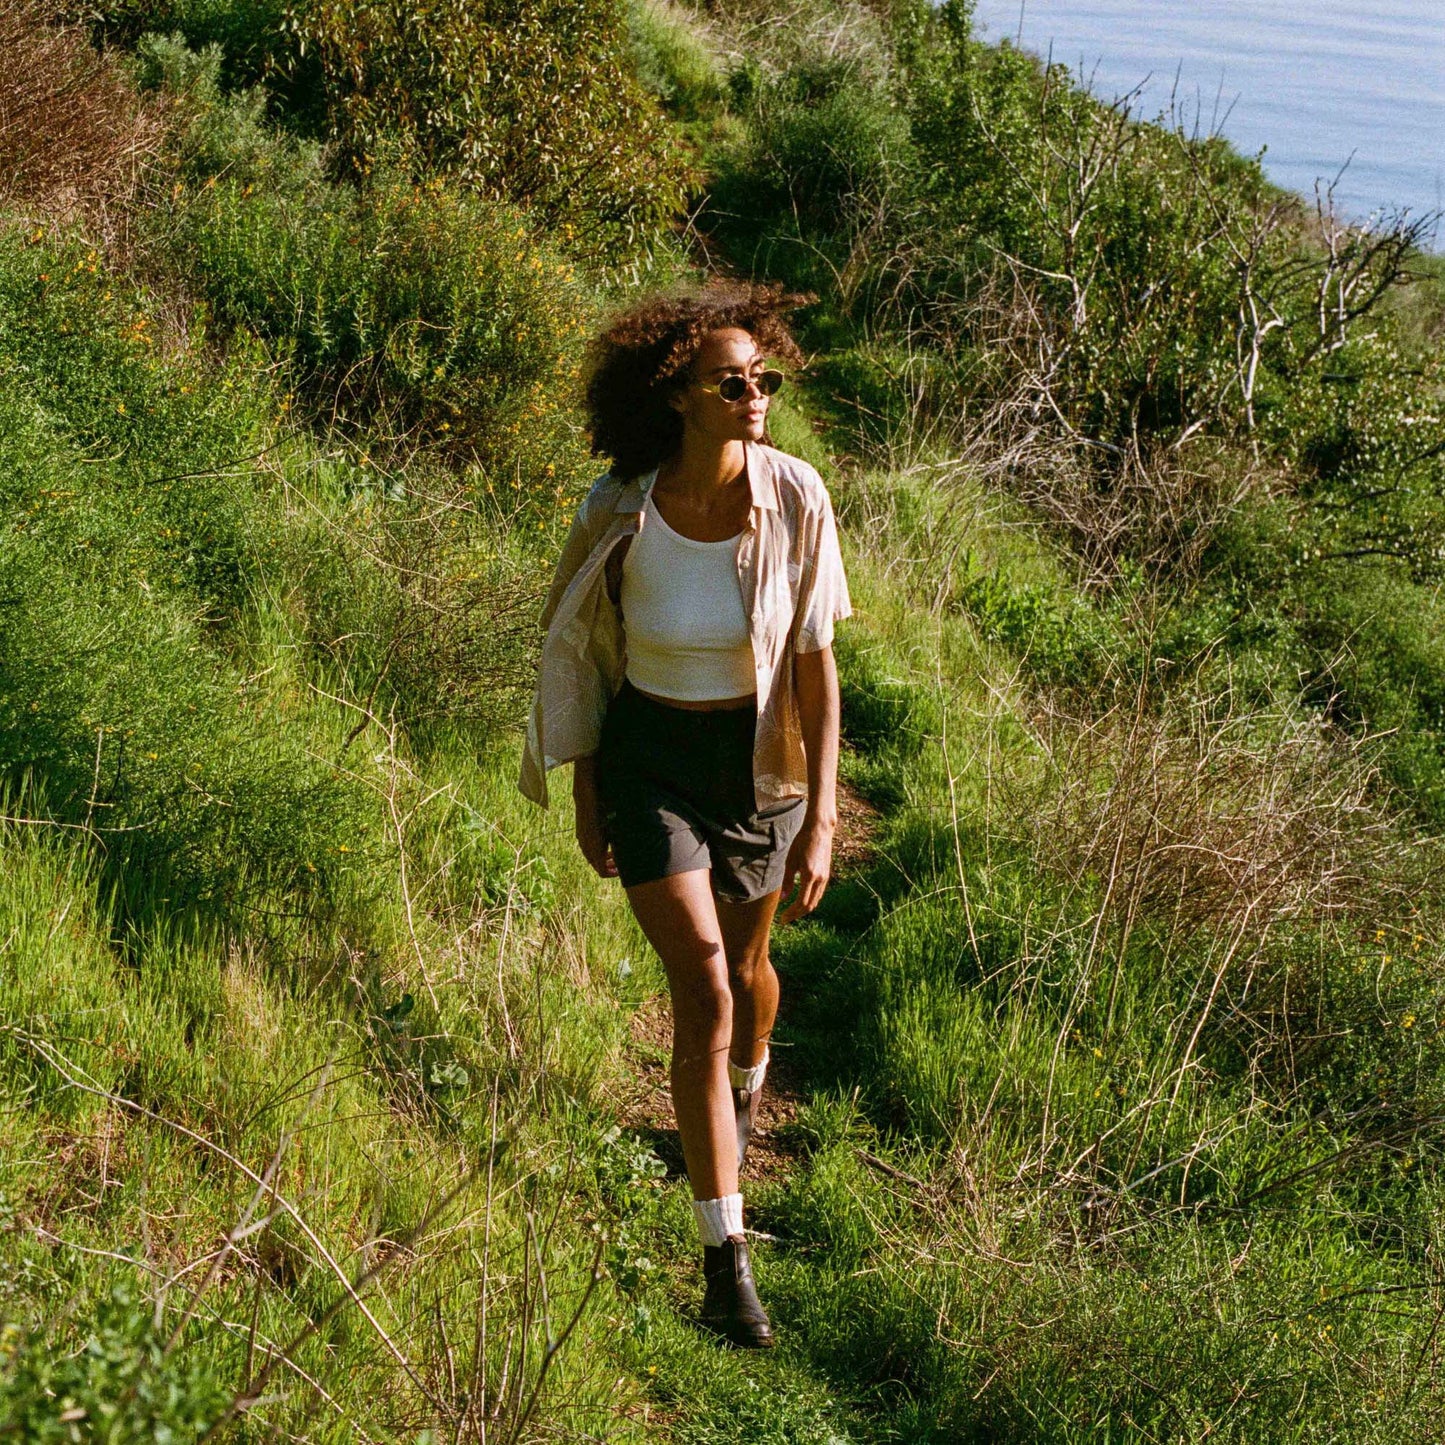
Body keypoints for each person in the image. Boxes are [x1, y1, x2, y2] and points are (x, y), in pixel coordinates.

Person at [519, 280, 850, 1348]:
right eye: (730, 383)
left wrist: (823, 817)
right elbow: (582, 649)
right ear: (675, 396)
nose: (755, 397)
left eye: (764, 379)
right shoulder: (618, 505)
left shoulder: (796, 495)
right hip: (648, 757)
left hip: (758, 766)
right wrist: (585, 783)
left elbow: (816, 666)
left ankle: (747, 1087)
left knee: (748, 974)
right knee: (701, 985)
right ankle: (725, 1259)